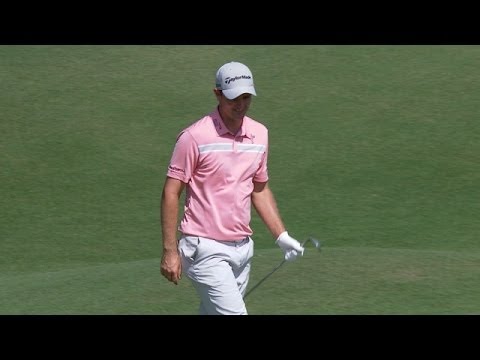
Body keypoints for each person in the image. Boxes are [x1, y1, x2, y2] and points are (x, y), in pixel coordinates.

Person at [160, 61, 305, 315]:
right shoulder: (194, 137)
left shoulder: (259, 134)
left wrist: (281, 236)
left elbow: (259, 189)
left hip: (242, 249)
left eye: (246, 97)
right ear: (217, 94)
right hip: (204, 248)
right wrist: (170, 251)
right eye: (233, 98)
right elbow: (171, 192)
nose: (240, 104)